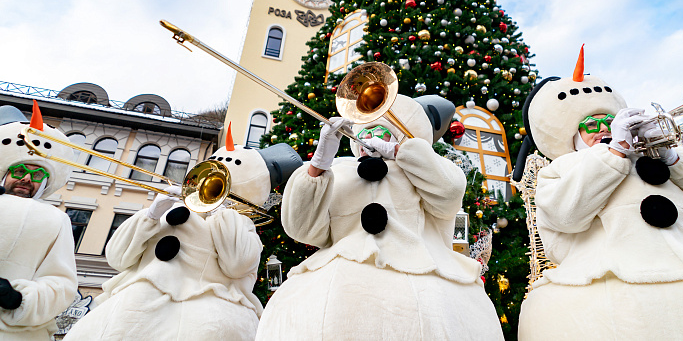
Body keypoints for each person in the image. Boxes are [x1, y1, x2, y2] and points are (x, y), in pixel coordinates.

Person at [514, 47, 683, 340]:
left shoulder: (672, 159)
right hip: (612, 298)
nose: (603, 129)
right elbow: (565, 217)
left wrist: (674, 158)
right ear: (573, 136)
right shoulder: (560, 169)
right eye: (592, 126)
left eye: (609, 122)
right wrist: (613, 155)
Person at [256, 94, 504, 341]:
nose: (371, 140)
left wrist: (402, 153)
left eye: (382, 132)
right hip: (338, 288)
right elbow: (301, 228)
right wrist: (318, 165)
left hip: (420, 282)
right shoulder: (340, 172)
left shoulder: (423, 170)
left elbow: (449, 195)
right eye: (367, 133)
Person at [64, 134, 302, 341]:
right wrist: (151, 215)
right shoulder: (165, 210)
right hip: (134, 306)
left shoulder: (239, 223)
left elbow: (238, 264)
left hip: (200, 313)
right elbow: (117, 257)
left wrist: (222, 211)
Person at [0, 103, 78, 340]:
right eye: (19, 170)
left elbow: (61, 283)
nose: (25, 178)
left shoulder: (57, 219)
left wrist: (19, 298)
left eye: (36, 174)